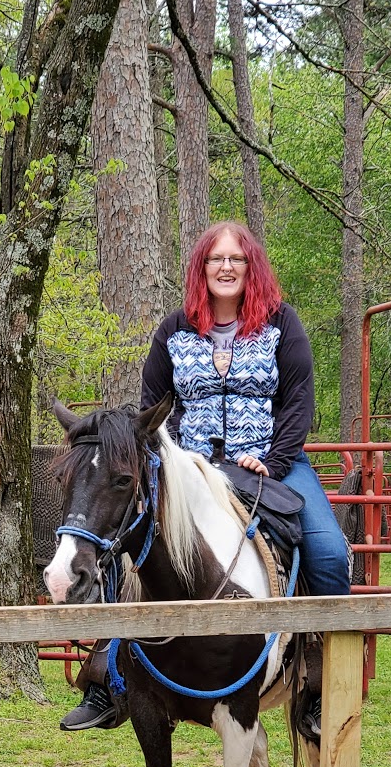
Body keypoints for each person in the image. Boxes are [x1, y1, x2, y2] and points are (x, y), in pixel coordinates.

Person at [61, 220, 351, 731]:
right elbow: (152, 409)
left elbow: (299, 403)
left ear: (251, 267)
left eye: (236, 259)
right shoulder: (174, 330)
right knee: (123, 538)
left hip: (269, 461)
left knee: (327, 551)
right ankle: (109, 676)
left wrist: (275, 461)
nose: (226, 267)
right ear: (201, 269)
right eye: (216, 259)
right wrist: (174, 463)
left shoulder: (283, 324)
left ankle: (317, 678)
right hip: (188, 467)